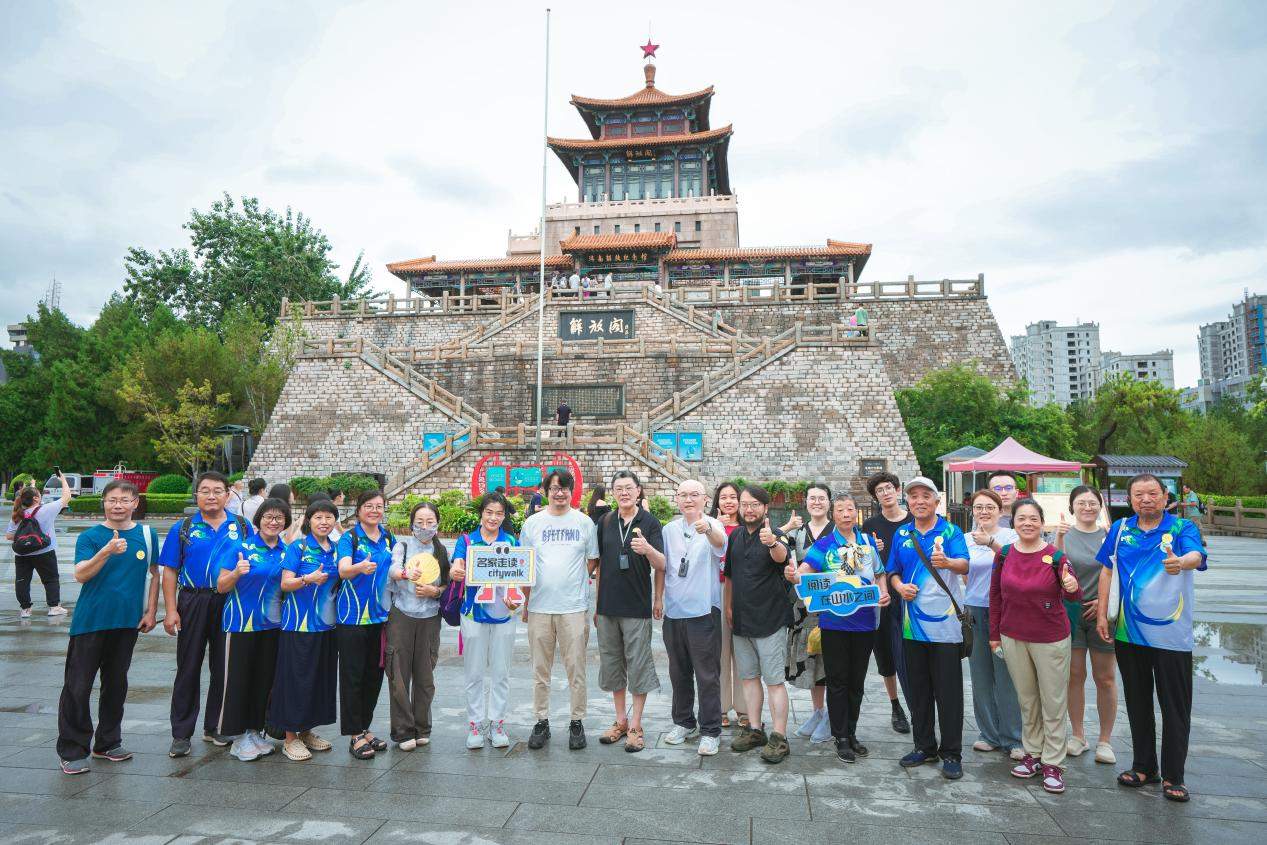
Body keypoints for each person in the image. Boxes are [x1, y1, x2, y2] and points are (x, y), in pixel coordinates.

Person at [1095, 473, 1207, 803]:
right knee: (1138, 701)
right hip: (1129, 633)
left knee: (1175, 707)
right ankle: (1144, 766)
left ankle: (1174, 775)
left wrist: (1180, 563)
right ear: (1130, 500)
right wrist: (1102, 614)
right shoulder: (1120, 530)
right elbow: (1106, 570)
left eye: (1153, 494)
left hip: (1171, 636)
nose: (1146, 499)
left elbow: (1196, 557)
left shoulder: (1181, 528)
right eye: (1139, 494)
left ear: (1165, 497)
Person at [55, 480, 160, 774]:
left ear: (135, 503)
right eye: (112, 500)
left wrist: (151, 611)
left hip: (127, 623)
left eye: (125, 500)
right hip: (90, 622)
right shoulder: (90, 536)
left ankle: (108, 742)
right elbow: (80, 575)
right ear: (103, 502)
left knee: (116, 684)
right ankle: (73, 749)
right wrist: (106, 552)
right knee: (78, 686)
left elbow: (155, 575)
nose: (118, 505)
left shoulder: (147, 535)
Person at [988, 499, 1082, 794]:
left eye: (1033, 519)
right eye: (1021, 519)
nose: (1027, 523)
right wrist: (994, 635)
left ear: (1042, 523)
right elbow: (996, 597)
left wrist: (1071, 588)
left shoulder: (1056, 557)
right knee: (1027, 701)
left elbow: (1074, 596)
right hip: (1013, 636)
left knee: (1052, 701)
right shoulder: (1004, 555)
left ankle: (1054, 762)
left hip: (1050, 638)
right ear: (1012, 523)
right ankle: (1033, 754)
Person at [160, 470, 252, 757]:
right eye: (205, 491)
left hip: (229, 602)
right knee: (188, 667)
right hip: (193, 601)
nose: (211, 496)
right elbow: (170, 571)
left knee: (223, 668)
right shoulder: (184, 527)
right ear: (197, 495)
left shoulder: (243, 526)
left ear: (228, 495)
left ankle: (216, 725)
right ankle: (181, 733)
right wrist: (171, 610)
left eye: (217, 491)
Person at [795, 493, 890, 763]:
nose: (846, 514)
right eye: (840, 509)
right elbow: (805, 571)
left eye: (850, 509)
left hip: (865, 622)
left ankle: (852, 731)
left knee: (857, 681)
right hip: (834, 622)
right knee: (837, 681)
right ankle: (841, 736)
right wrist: (795, 575)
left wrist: (883, 593)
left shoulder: (869, 543)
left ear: (856, 513)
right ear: (833, 515)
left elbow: (880, 573)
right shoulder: (825, 544)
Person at [886, 476, 970, 780]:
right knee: (918, 690)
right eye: (913, 496)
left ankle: (952, 753)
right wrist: (898, 587)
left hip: (946, 627)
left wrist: (947, 562)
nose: (919, 501)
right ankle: (924, 746)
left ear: (936, 501)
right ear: (907, 501)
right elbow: (892, 569)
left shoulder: (950, 531)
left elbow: (965, 564)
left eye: (925, 496)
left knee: (948, 692)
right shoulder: (902, 532)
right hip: (912, 626)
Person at [520, 469, 599, 751]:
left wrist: (573, 580)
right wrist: (527, 604)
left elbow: (592, 560)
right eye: (554, 488)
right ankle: (541, 721)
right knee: (540, 670)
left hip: (573, 608)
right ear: (546, 491)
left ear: (572, 490)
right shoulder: (533, 524)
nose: (560, 492)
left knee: (575, 669)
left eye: (564, 487)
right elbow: (524, 566)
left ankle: (576, 722)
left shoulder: (584, 522)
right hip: (540, 608)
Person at [593, 471, 665, 753]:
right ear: (613, 493)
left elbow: (662, 564)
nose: (624, 493)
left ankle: (636, 725)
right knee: (612, 664)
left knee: (638, 664)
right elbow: (598, 566)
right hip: (608, 606)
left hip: (636, 607)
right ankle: (620, 720)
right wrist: (597, 605)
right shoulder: (605, 522)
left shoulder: (649, 522)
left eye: (629, 488)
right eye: (618, 488)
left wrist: (647, 549)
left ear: (638, 492)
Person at [215, 497, 289, 762]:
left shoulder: (286, 552)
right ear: (258, 519)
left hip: (273, 625)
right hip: (241, 624)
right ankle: (236, 737)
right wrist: (236, 573)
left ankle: (255, 731)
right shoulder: (240, 548)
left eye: (279, 518)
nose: (273, 522)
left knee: (263, 679)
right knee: (238, 680)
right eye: (268, 516)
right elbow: (221, 586)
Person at [725, 485, 793, 764]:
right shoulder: (737, 536)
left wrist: (772, 543)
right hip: (741, 619)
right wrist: (729, 607)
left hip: (770, 620)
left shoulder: (775, 535)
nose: (749, 509)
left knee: (774, 681)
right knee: (749, 678)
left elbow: (784, 559)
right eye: (744, 504)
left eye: (754, 504)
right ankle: (755, 729)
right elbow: (729, 575)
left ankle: (779, 736)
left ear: (766, 508)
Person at [270, 499, 340, 761]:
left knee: (318, 679)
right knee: (296, 680)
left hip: (326, 627)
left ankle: (307, 731)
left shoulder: (334, 549)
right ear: (309, 521)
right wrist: (307, 579)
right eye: (318, 517)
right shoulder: (297, 548)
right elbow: (286, 584)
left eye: (329, 517)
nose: (324, 522)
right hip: (298, 625)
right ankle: (290, 738)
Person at [661, 479, 727, 755]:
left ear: (704, 499)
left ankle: (711, 730)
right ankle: (684, 722)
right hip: (674, 611)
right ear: (677, 499)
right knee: (678, 671)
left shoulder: (714, 524)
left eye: (694, 495)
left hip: (704, 611)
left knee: (707, 673)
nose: (688, 500)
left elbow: (721, 543)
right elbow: (663, 567)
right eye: (683, 495)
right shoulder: (669, 529)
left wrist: (708, 528)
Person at [1054, 485, 1116, 764]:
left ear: (1100, 505)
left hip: (1102, 613)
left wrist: (1102, 604)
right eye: (1081, 503)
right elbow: (1054, 569)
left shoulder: (1110, 535)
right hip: (1071, 612)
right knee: (1074, 676)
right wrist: (1058, 538)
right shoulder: (1064, 534)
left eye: (1093, 502)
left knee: (1105, 678)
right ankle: (1078, 735)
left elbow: (1118, 572)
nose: (1087, 507)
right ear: (1072, 506)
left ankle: (1106, 740)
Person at [452, 492, 520, 749]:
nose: (494, 518)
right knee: (475, 672)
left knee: (501, 672)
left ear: (504, 516)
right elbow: (456, 567)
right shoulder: (467, 541)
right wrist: (456, 571)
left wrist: (515, 599)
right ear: (481, 513)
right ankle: (475, 725)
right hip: (473, 615)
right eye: (489, 512)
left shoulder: (512, 542)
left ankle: (497, 723)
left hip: (504, 616)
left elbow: (517, 577)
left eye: (499, 513)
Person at [336, 489, 396, 759]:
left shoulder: (388, 537)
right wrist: (360, 567)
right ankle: (354, 734)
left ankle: (365, 727)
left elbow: (395, 569)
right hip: (351, 617)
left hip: (379, 617)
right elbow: (343, 569)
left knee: (374, 675)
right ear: (359, 509)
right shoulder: (350, 538)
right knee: (352, 676)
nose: (375, 511)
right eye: (369, 506)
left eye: (379, 506)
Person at [964, 489, 1022, 760]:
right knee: (981, 676)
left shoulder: (1010, 536)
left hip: (1006, 611)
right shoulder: (964, 539)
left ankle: (1013, 737)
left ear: (1000, 510)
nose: (984, 512)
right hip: (975, 609)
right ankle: (988, 734)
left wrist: (991, 543)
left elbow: (1019, 563)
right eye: (978, 507)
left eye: (989, 507)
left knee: (1007, 675)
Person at [386, 501, 450, 751]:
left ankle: (422, 727)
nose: (424, 527)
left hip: (430, 618)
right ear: (412, 523)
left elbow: (447, 585)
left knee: (425, 675)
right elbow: (392, 569)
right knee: (399, 674)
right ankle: (403, 731)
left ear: (437, 524)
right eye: (420, 522)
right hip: (402, 615)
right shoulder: (401, 546)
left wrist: (435, 591)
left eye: (430, 522)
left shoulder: (441, 551)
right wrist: (404, 574)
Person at [780, 483, 834, 744]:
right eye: (812, 498)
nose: (816, 502)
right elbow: (777, 550)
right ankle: (818, 711)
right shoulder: (798, 533)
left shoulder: (839, 532)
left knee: (832, 659)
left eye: (821, 498)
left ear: (829, 502)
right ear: (806, 502)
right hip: (805, 606)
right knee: (811, 658)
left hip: (835, 604)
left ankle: (833, 715)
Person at [860, 472, 912, 734]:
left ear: (898, 489)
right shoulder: (869, 526)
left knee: (912, 653)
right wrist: (874, 549)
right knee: (885, 656)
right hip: (883, 599)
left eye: (889, 488)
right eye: (880, 490)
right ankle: (895, 705)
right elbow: (862, 564)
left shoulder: (914, 520)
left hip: (910, 597)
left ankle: (916, 703)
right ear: (875, 496)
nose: (885, 493)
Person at [6, 474, 72, 617]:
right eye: (38, 494)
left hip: (22, 554)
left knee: (22, 581)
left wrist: (26, 538)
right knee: (50, 579)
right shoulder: (46, 510)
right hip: (45, 551)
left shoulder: (18, 514)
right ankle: (54, 607)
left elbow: (10, 536)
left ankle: (25, 610)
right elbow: (67, 496)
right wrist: (64, 480)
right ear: (36, 498)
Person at [710, 481, 747, 729]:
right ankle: (721, 707)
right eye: (723, 497)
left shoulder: (747, 528)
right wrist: (716, 529)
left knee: (743, 653)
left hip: (744, 593)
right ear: (717, 502)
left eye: (733, 497)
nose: (728, 502)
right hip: (717, 589)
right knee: (720, 652)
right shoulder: (710, 526)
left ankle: (745, 708)